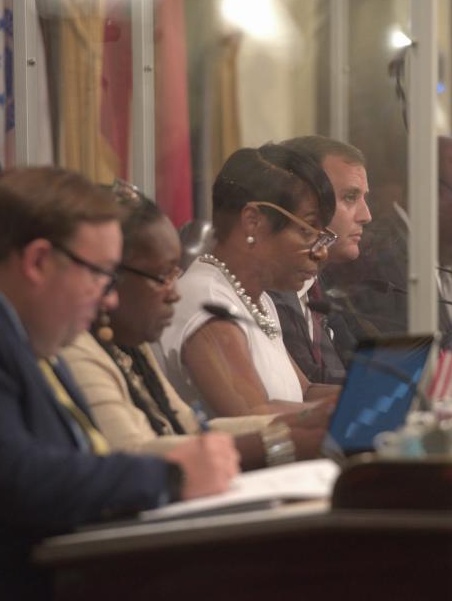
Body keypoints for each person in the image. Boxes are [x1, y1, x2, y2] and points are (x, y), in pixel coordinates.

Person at [0, 168, 240, 601]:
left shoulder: (1, 326)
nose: (109, 298)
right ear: (38, 261)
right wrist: (172, 475)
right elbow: (16, 480)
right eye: (101, 276)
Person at [62, 182, 330, 468]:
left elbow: (189, 427)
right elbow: (132, 454)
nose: (174, 291)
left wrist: (305, 420)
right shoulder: (75, 350)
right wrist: (281, 443)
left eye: (174, 273)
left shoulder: (128, 345)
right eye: (162, 276)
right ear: (110, 276)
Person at [159, 144, 341, 417]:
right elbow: (255, 417)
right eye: (307, 231)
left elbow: (303, 392)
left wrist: (375, 394)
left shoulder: (258, 297)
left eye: (322, 236)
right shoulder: (207, 303)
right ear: (253, 221)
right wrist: (356, 409)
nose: (322, 252)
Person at [328, 135, 452, 334]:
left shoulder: (440, 260)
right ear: (427, 188)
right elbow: (387, 354)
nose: (366, 215)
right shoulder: (376, 255)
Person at [270, 135, 372, 384]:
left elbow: (356, 369)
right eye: (350, 197)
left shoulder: (318, 286)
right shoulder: (267, 288)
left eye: (363, 198)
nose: (366, 215)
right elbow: (311, 386)